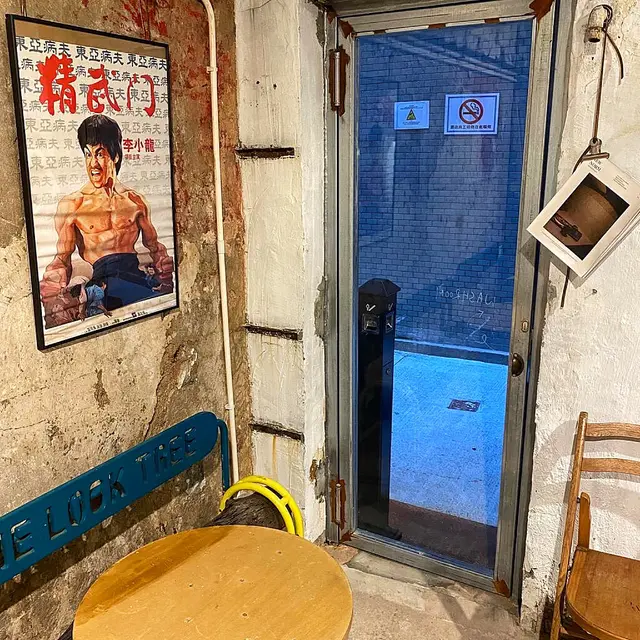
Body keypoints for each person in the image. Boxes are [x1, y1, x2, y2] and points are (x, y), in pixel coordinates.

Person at [39, 114, 174, 327]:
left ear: (116, 156)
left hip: (135, 277)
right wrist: (54, 295)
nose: (93, 163)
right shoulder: (73, 205)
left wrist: (165, 277)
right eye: (88, 154)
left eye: (100, 154)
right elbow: (62, 259)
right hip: (103, 285)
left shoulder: (135, 201)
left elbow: (155, 247)